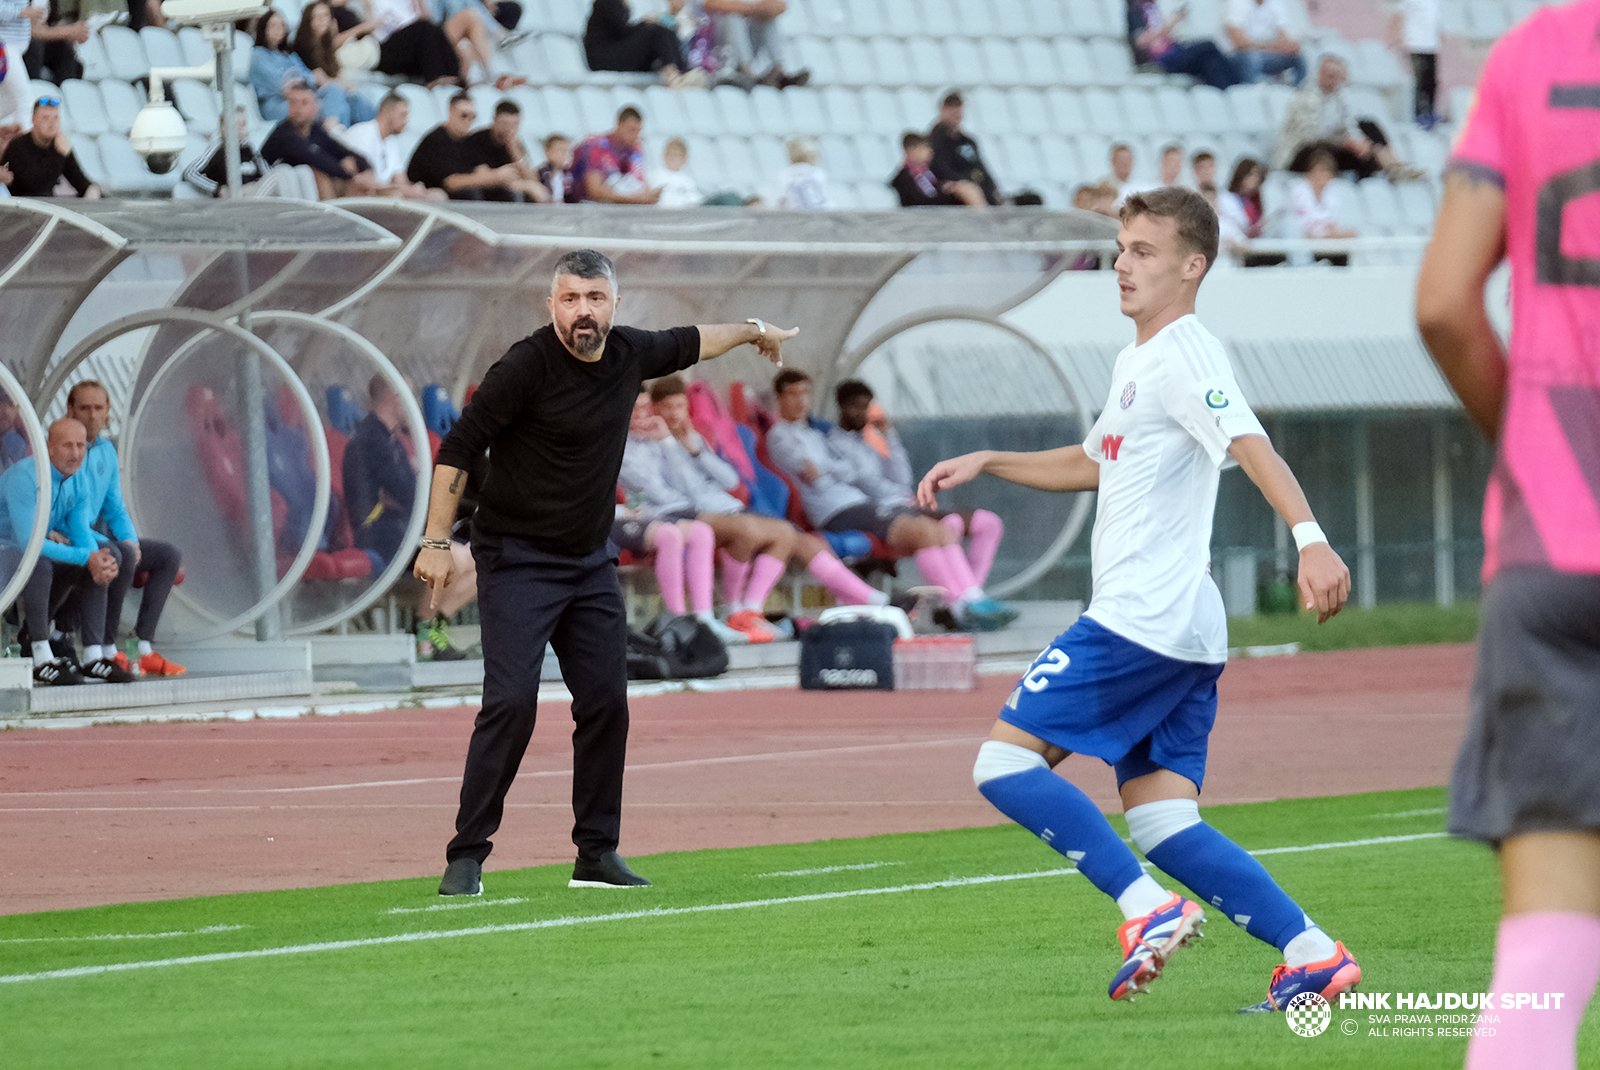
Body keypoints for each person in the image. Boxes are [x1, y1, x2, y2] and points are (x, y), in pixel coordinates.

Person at [918, 186, 1359, 1011]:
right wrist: (990, 458)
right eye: (1120, 248)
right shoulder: (1138, 361)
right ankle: (1311, 953)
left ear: (1193, 266)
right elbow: (1095, 461)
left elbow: (1247, 442)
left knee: (1003, 763)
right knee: (1161, 824)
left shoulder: (1187, 352)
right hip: (1182, 627)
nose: (1121, 264)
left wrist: (1311, 540)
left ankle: (1146, 908)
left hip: (1139, 619)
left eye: (1144, 252)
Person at [415, 249, 797, 897]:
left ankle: (596, 855)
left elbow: (699, 340)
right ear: (552, 306)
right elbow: (458, 447)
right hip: (516, 560)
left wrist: (756, 330)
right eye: (569, 299)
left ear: (615, 305)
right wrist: (434, 541)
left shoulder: (630, 353)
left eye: (594, 299)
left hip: (589, 563)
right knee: (510, 704)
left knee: (606, 703)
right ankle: (467, 856)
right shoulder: (525, 366)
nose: (582, 312)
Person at [1414, 4, 1600, 1065]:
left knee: (1538, 968)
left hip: (1553, 549)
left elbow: (1444, 304)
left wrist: (1527, 441)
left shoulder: (1528, 55)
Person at [634, 376, 891, 640]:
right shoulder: (659, 441)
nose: (676, 414)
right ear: (657, 410)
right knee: (768, 534)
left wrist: (697, 449)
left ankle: (751, 610)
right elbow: (685, 490)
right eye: (668, 408)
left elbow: (731, 481)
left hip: (727, 506)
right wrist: (674, 445)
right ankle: (739, 609)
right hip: (701, 512)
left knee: (794, 537)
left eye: (680, 406)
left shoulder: (694, 437)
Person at [766, 369, 1015, 631]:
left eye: (805, 393)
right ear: (779, 398)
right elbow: (816, 476)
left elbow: (848, 473)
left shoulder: (816, 435)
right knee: (923, 531)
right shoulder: (782, 435)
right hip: (838, 511)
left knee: (936, 529)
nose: (800, 400)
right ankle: (958, 605)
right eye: (792, 394)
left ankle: (971, 599)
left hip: (862, 503)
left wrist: (878, 443)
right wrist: (832, 469)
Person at [832, 379, 1006, 593]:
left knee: (989, 523)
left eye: (866, 406)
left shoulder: (868, 441)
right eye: (856, 406)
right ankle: (962, 598)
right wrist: (901, 495)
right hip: (887, 509)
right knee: (949, 525)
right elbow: (869, 486)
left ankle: (974, 593)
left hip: (904, 503)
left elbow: (902, 478)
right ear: (842, 407)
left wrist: (889, 435)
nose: (862, 413)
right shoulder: (837, 444)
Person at [63, 380, 186, 678]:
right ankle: (107, 647)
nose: (92, 415)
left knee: (167, 555)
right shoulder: (63, 449)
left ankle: (141, 645)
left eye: (98, 408)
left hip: (99, 537)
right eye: (84, 408)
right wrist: (116, 545)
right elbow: (67, 517)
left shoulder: (106, 451)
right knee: (118, 554)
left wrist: (131, 539)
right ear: (70, 411)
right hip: (68, 537)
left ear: (108, 414)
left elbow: (115, 508)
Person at [0, 418, 131, 686]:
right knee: (40, 564)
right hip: (7, 547)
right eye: (67, 446)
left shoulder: (78, 476)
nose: (75, 453)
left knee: (107, 556)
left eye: (81, 446)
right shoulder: (24, 476)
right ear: (48, 448)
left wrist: (97, 559)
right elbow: (28, 544)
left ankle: (94, 655)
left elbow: (80, 531)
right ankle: (40, 656)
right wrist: (89, 557)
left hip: (31, 545)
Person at [1274, 53, 1422, 181]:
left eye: (1336, 77)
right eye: (1328, 75)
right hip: (1299, 154)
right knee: (1328, 149)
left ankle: (1393, 165)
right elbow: (1309, 137)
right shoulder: (1306, 99)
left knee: (1367, 126)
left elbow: (1349, 124)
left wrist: (1359, 143)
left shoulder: (1340, 97)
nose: (1331, 81)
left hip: (1329, 144)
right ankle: (1385, 167)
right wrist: (1344, 142)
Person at [252, 7, 372, 128]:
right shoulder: (259, 55)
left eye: (282, 25)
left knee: (345, 96)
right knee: (332, 105)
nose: (279, 29)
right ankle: (333, 133)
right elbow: (286, 87)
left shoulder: (288, 55)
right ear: (263, 28)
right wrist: (310, 79)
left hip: (304, 94)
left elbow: (308, 76)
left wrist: (311, 79)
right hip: (279, 103)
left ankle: (372, 132)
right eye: (273, 25)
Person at [343, 375, 416, 569]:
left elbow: (411, 491)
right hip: (378, 533)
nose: (413, 404)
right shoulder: (371, 440)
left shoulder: (392, 440)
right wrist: (401, 496)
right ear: (394, 396)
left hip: (398, 524)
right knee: (451, 556)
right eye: (409, 396)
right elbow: (409, 494)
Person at [260, 81, 378, 199]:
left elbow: (339, 149)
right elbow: (315, 159)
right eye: (292, 103)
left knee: (355, 179)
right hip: (270, 188)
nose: (298, 108)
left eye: (304, 103)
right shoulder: (284, 134)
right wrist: (350, 174)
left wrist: (364, 167)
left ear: (315, 106)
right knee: (320, 175)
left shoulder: (315, 129)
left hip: (300, 191)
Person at [184, 108, 322, 200]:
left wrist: (254, 153)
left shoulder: (248, 148)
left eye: (244, 124)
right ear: (224, 128)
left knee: (302, 171)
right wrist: (218, 189)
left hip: (255, 191)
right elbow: (190, 172)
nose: (242, 129)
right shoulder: (219, 147)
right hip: (239, 198)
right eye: (237, 125)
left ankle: (313, 214)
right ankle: (297, 218)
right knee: (282, 172)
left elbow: (266, 172)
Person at [338, 91, 443, 199]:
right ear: (388, 112)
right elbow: (362, 181)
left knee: (437, 195)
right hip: (361, 195)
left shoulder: (391, 141)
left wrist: (414, 190)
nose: (406, 121)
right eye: (403, 115)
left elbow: (400, 178)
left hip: (382, 194)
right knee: (397, 195)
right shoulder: (363, 133)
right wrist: (404, 191)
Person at [1126, 0, 1239, 90]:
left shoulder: (1157, 5)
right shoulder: (1135, 9)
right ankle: (1235, 90)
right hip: (1160, 61)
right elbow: (1141, 41)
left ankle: (1233, 96)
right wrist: (1170, 23)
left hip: (1175, 51)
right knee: (1208, 46)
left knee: (1211, 62)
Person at [583, 0, 699, 87]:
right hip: (605, 58)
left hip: (616, 54)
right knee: (656, 31)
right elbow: (622, 31)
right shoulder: (607, 2)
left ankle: (682, 71)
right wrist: (644, 23)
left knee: (664, 30)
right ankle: (672, 75)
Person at [1, 96, 99, 197]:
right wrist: (61, 156)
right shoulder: (18, 146)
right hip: (23, 205)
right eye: (45, 118)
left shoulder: (58, 144)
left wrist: (91, 190)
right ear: (33, 120)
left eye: (55, 118)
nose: (52, 123)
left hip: (49, 203)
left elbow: (79, 181)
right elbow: (34, 186)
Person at [702, 0, 806, 88]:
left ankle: (779, 71)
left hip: (747, 41)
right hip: (718, 46)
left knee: (767, 19)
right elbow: (710, 4)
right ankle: (746, 71)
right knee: (733, 19)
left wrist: (759, 10)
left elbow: (780, 6)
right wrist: (753, 9)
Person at [463, 99, 551, 202]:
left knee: (539, 193)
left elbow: (532, 179)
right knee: (513, 194)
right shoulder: (479, 140)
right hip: (486, 187)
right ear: (495, 120)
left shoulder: (516, 142)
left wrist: (513, 149)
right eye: (504, 124)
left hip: (511, 184)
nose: (509, 129)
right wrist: (524, 185)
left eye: (514, 124)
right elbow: (482, 175)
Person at [568, 106, 658, 204]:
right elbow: (594, 191)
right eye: (631, 130)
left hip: (622, 209)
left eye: (638, 131)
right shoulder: (595, 147)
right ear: (619, 124)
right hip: (588, 209)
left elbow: (641, 182)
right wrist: (632, 199)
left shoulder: (634, 149)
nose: (635, 136)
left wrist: (649, 196)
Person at [928, 91, 1001, 206]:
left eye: (958, 109)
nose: (956, 114)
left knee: (1030, 198)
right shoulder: (935, 140)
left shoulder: (968, 141)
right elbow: (941, 169)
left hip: (981, 187)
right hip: (957, 191)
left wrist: (993, 187)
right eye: (952, 109)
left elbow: (981, 166)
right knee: (969, 190)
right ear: (943, 110)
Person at [368, 0, 463, 87]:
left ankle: (454, 80)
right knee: (423, 27)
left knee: (437, 31)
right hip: (384, 47)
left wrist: (420, 3)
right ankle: (434, 80)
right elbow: (370, 26)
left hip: (413, 46)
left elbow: (430, 22)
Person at [890, 131, 985, 208]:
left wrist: (948, 187)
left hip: (935, 207)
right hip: (927, 211)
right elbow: (919, 201)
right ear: (912, 151)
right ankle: (983, 218)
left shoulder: (927, 172)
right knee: (965, 190)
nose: (929, 153)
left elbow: (935, 188)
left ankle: (982, 215)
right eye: (924, 149)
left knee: (967, 188)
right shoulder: (904, 177)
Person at [1225, 0, 1305, 85]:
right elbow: (1239, 42)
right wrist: (1272, 46)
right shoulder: (1237, 2)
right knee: (1252, 58)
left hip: (1269, 54)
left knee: (1299, 56)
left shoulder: (1277, 3)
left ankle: (1299, 92)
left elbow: (1283, 37)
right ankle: (1250, 93)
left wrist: (1288, 46)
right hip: (1242, 56)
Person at [1388, 0, 1439, 127]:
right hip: (1416, 44)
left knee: (1432, 81)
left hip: (1432, 45)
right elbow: (1398, 16)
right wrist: (1391, 38)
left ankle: (1431, 110)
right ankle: (1419, 113)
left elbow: (1435, 19)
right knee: (1420, 81)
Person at [1288, 148, 1356, 241]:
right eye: (1320, 170)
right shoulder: (1299, 191)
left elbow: (1335, 223)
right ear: (1309, 173)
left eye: (1327, 171)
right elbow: (1303, 228)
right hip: (1302, 241)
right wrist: (1327, 233)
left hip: (1326, 240)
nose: (1323, 176)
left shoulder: (1333, 191)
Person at [775, 135, 830, 209]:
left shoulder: (784, 174)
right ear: (809, 155)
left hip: (796, 215)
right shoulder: (817, 172)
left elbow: (782, 201)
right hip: (822, 214)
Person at [653, 136, 702, 208]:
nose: (672, 158)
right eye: (669, 154)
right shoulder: (654, 177)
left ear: (684, 160)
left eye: (676, 155)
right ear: (664, 156)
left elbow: (696, 203)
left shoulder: (688, 182)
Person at [537, 133, 571, 202]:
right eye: (559, 150)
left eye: (566, 150)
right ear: (548, 152)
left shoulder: (567, 174)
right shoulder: (542, 173)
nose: (564, 154)